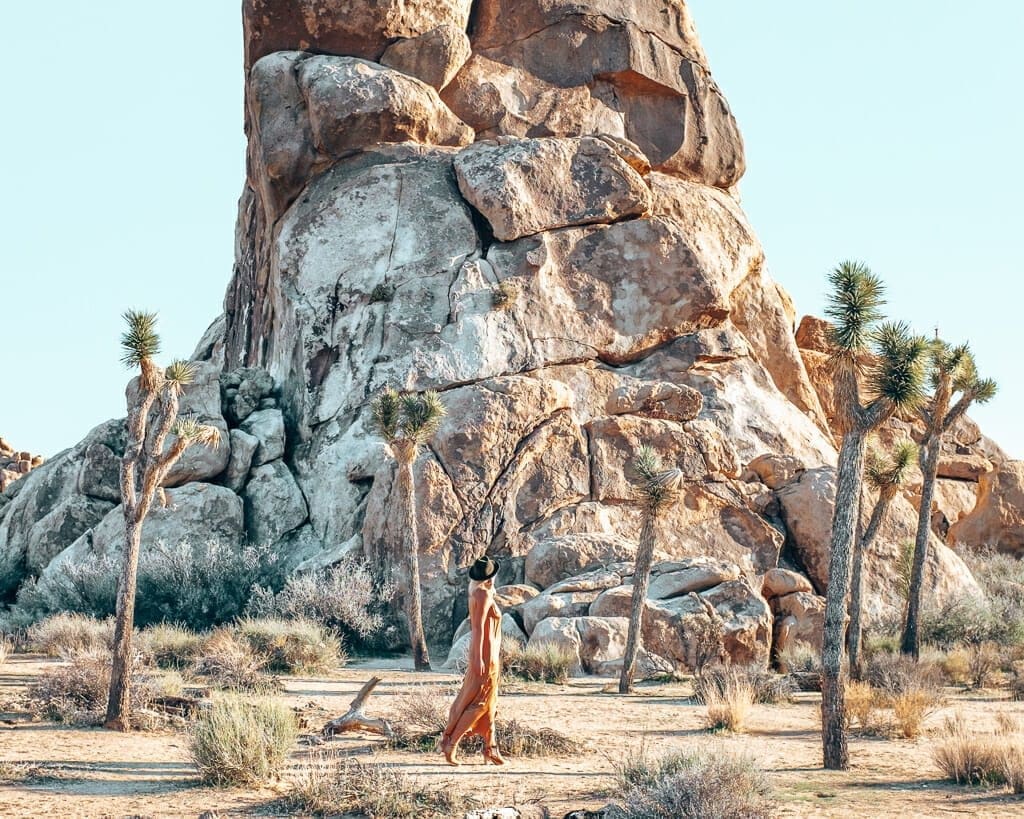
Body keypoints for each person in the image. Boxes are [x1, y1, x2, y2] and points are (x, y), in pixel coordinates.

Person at [440, 555, 505, 766]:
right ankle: (451, 743)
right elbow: (476, 629)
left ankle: (490, 747)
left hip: (490, 655)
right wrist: (477, 659)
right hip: (486, 656)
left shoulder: (480, 592)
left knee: (489, 702)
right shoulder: (483, 595)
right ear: (490, 577)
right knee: (479, 702)